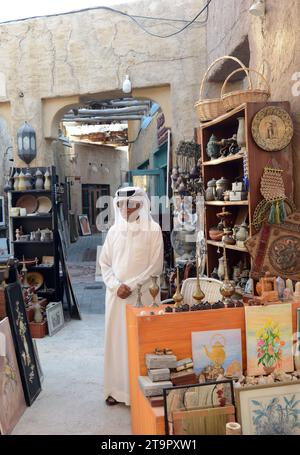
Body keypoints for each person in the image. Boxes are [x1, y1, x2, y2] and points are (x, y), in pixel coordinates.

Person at [99, 186, 164, 406]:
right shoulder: (113, 231)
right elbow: (104, 263)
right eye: (121, 205)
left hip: (143, 296)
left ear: (141, 204)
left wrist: (132, 285)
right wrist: (115, 285)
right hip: (116, 297)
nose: (126, 209)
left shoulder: (153, 230)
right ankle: (117, 391)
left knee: (141, 342)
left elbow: (156, 266)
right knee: (117, 343)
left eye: (131, 204)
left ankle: (142, 393)